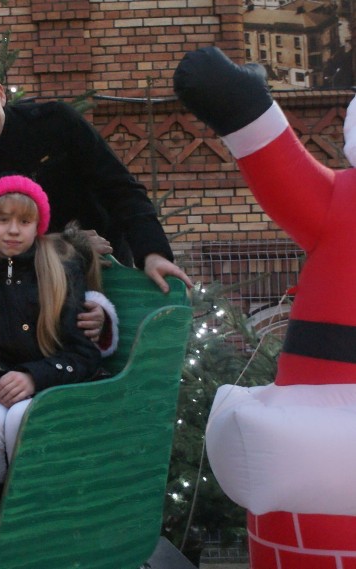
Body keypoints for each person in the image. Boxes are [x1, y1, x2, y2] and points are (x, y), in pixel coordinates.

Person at [174, 46, 356, 568]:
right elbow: (284, 172)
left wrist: (243, 104)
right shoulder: (341, 202)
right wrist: (243, 107)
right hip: (319, 429)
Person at [0, 60, 193, 294]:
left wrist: (153, 253)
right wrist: (63, 244)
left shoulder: (55, 123)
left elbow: (120, 188)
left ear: (1, 94)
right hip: (19, 290)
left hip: (100, 271)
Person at [0, 175, 104, 546]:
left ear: (39, 226)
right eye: (3, 220)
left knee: (23, 417)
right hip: (5, 388)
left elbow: (84, 354)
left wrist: (34, 378)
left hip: (57, 388)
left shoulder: (60, 270)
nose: (14, 231)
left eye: (25, 222)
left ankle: (34, 529)